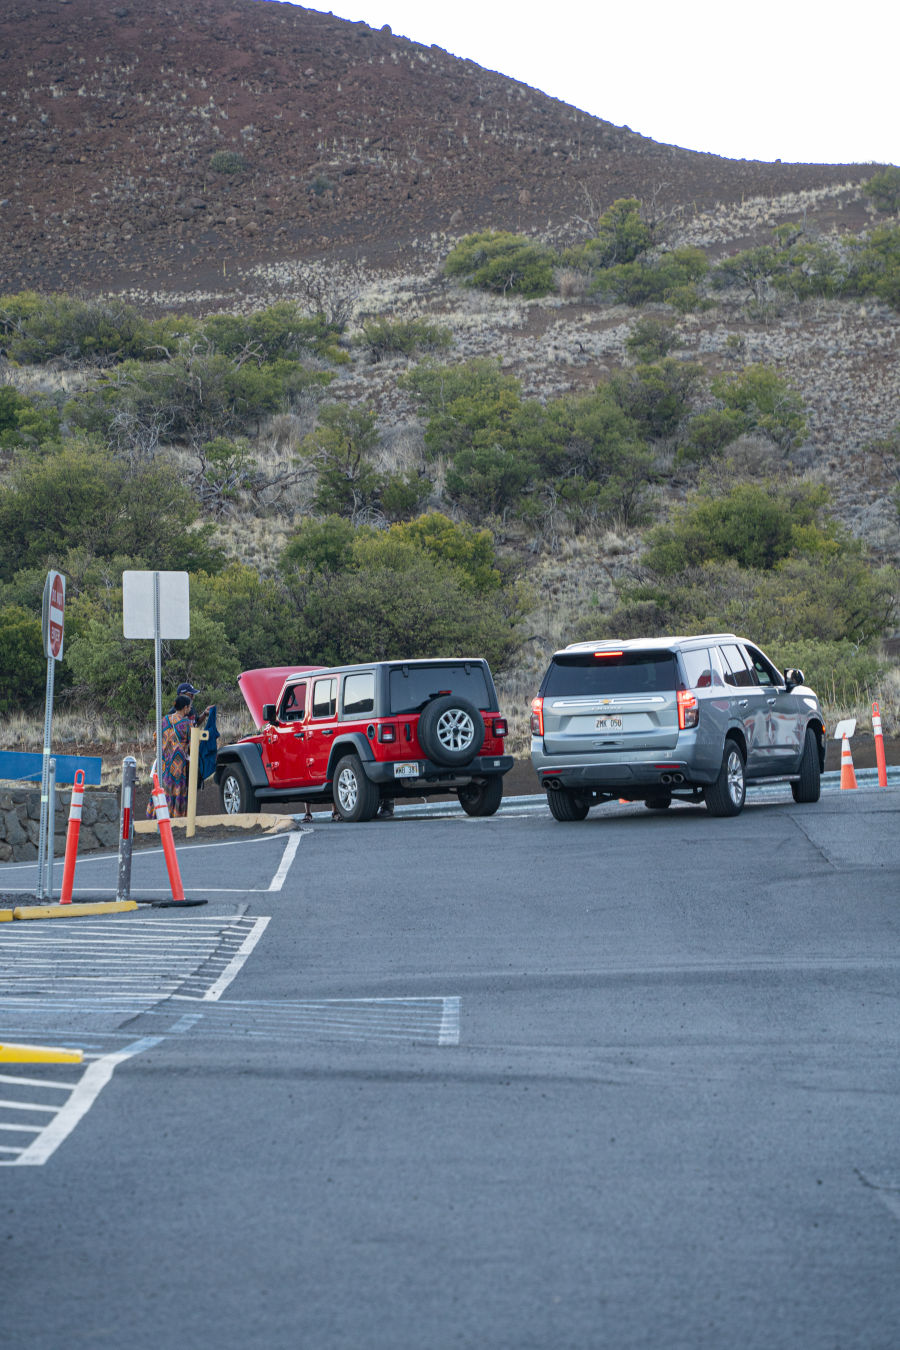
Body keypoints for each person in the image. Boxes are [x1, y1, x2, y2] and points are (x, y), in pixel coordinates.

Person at [147, 693, 194, 818]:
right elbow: (193, 743)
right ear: (184, 708)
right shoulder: (187, 723)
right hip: (177, 765)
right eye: (189, 707)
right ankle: (175, 816)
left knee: (162, 788)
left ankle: (157, 815)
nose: (190, 709)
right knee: (177, 789)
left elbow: (155, 736)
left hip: (163, 763)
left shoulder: (164, 720)